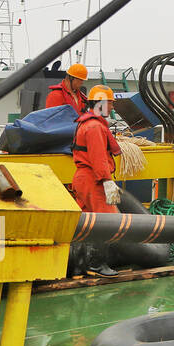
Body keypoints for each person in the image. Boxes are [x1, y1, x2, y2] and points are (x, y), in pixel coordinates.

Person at [71, 84, 123, 277]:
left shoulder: (86, 123)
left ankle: (78, 266)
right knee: (105, 221)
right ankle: (97, 265)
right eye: (110, 103)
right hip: (94, 180)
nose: (113, 107)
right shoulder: (94, 127)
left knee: (85, 224)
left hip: (83, 178)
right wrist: (107, 182)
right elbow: (99, 158)